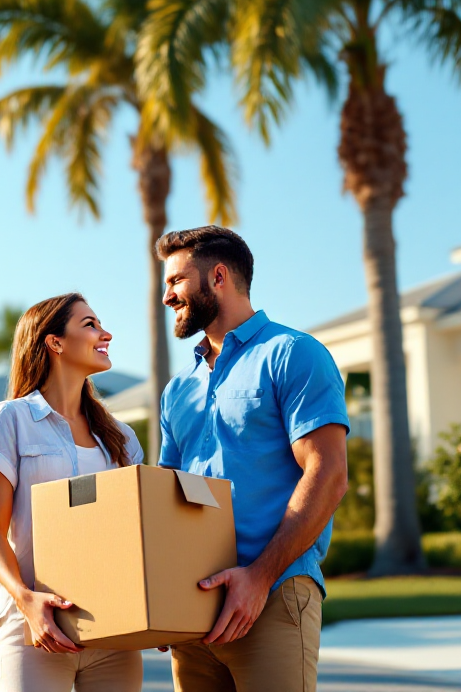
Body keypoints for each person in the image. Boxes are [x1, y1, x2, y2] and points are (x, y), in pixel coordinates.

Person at [155, 226, 350, 692]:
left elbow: (328, 473)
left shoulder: (293, 355)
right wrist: (159, 592)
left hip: (275, 594)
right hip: (194, 610)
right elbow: (167, 494)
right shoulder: (177, 389)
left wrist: (259, 577)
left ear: (218, 276)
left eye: (176, 281)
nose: (167, 297)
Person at [0, 292, 147, 692]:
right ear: (55, 342)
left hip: (113, 627)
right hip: (34, 625)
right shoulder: (9, 420)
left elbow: (135, 532)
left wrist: (155, 605)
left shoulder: (121, 437)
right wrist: (25, 599)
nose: (106, 334)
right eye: (90, 325)